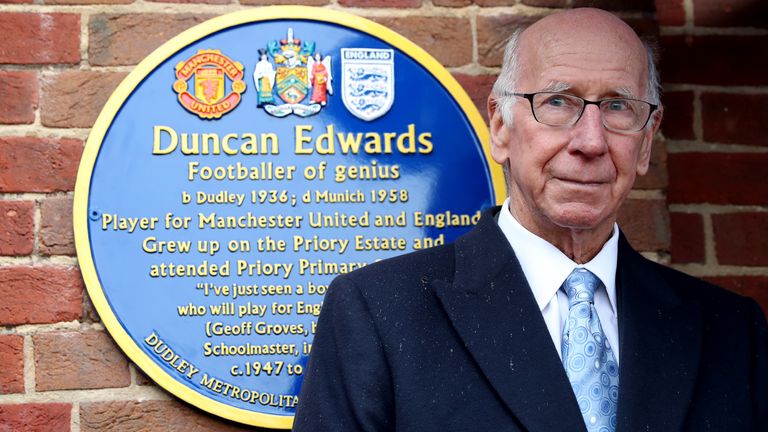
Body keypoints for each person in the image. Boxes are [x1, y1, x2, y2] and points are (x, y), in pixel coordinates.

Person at [293, 8, 767, 432]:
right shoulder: (379, 313)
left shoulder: (730, 332)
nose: (591, 141)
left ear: (647, 141)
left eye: (619, 106)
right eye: (558, 101)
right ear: (500, 126)